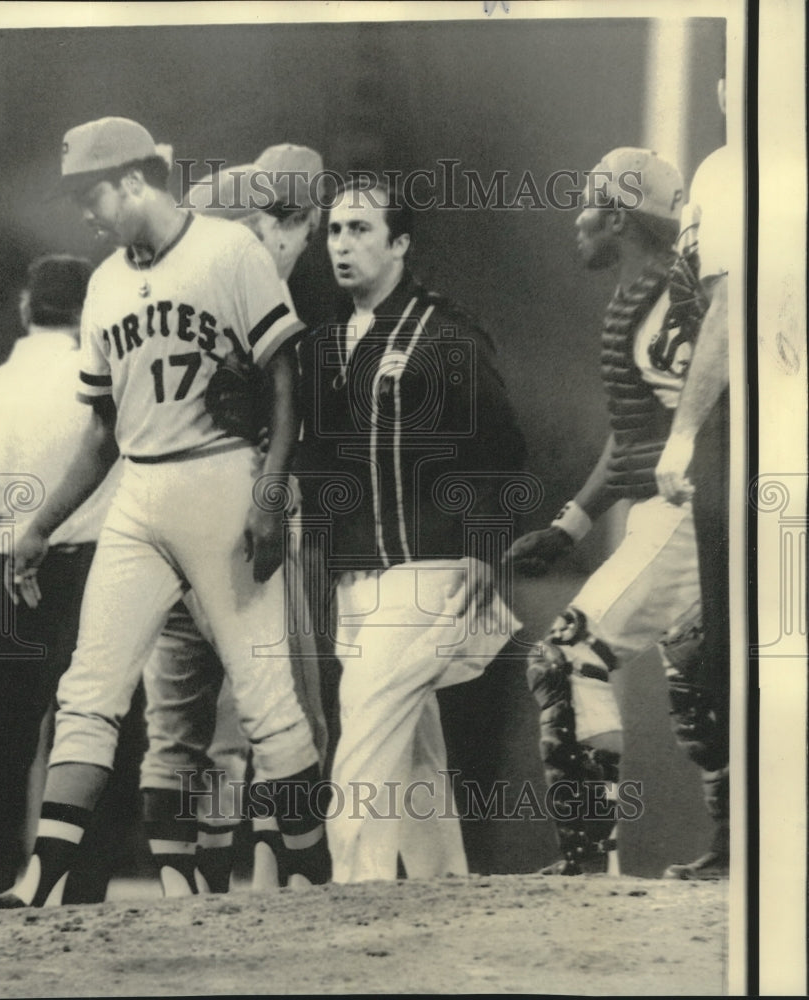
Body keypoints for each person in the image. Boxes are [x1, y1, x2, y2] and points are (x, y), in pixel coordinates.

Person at [0, 116, 328, 908]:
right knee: (90, 686)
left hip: (221, 476)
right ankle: (44, 876)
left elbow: (285, 375)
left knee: (266, 697)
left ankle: (312, 874)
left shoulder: (228, 250)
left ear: (136, 180)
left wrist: (271, 489)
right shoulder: (105, 283)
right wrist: (40, 525)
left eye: (92, 193)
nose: (86, 212)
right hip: (139, 490)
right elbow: (103, 429)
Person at [296, 176, 526, 884]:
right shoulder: (333, 341)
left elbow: (504, 444)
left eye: (361, 230)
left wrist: (486, 544)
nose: (342, 244)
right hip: (361, 581)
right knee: (415, 752)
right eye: (335, 230)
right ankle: (444, 893)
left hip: (430, 575)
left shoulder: (443, 330)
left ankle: (352, 897)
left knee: (363, 743)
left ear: (400, 243)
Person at [505, 148, 708, 875]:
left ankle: (591, 863)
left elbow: (712, 423)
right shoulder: (647, 296)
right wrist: (571, 525)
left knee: (564, 657)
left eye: (589, 204)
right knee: (698, 693)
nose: (579, 220)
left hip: (688, 516)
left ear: (618, 216)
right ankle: (730, 857)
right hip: (685, 517)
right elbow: (633, 429)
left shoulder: (670, 306)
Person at [139, 142, 330, 897]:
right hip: (241, 509)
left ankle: (220, 884)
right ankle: (269, 878)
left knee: (209, 725)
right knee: (281, 711)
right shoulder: (246, 281)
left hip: (171, 513)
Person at [0, 254, 128, 907]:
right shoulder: (103, 386)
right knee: (91, 726)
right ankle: (80, 883)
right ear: (86, 313)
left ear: (25, 308)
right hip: (89, 566)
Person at [656, 78, 736, 880]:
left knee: (723, 649)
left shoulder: (730, 167)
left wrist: (683, 433)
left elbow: (730, 304)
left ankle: (745, 847)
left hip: (756, 427)